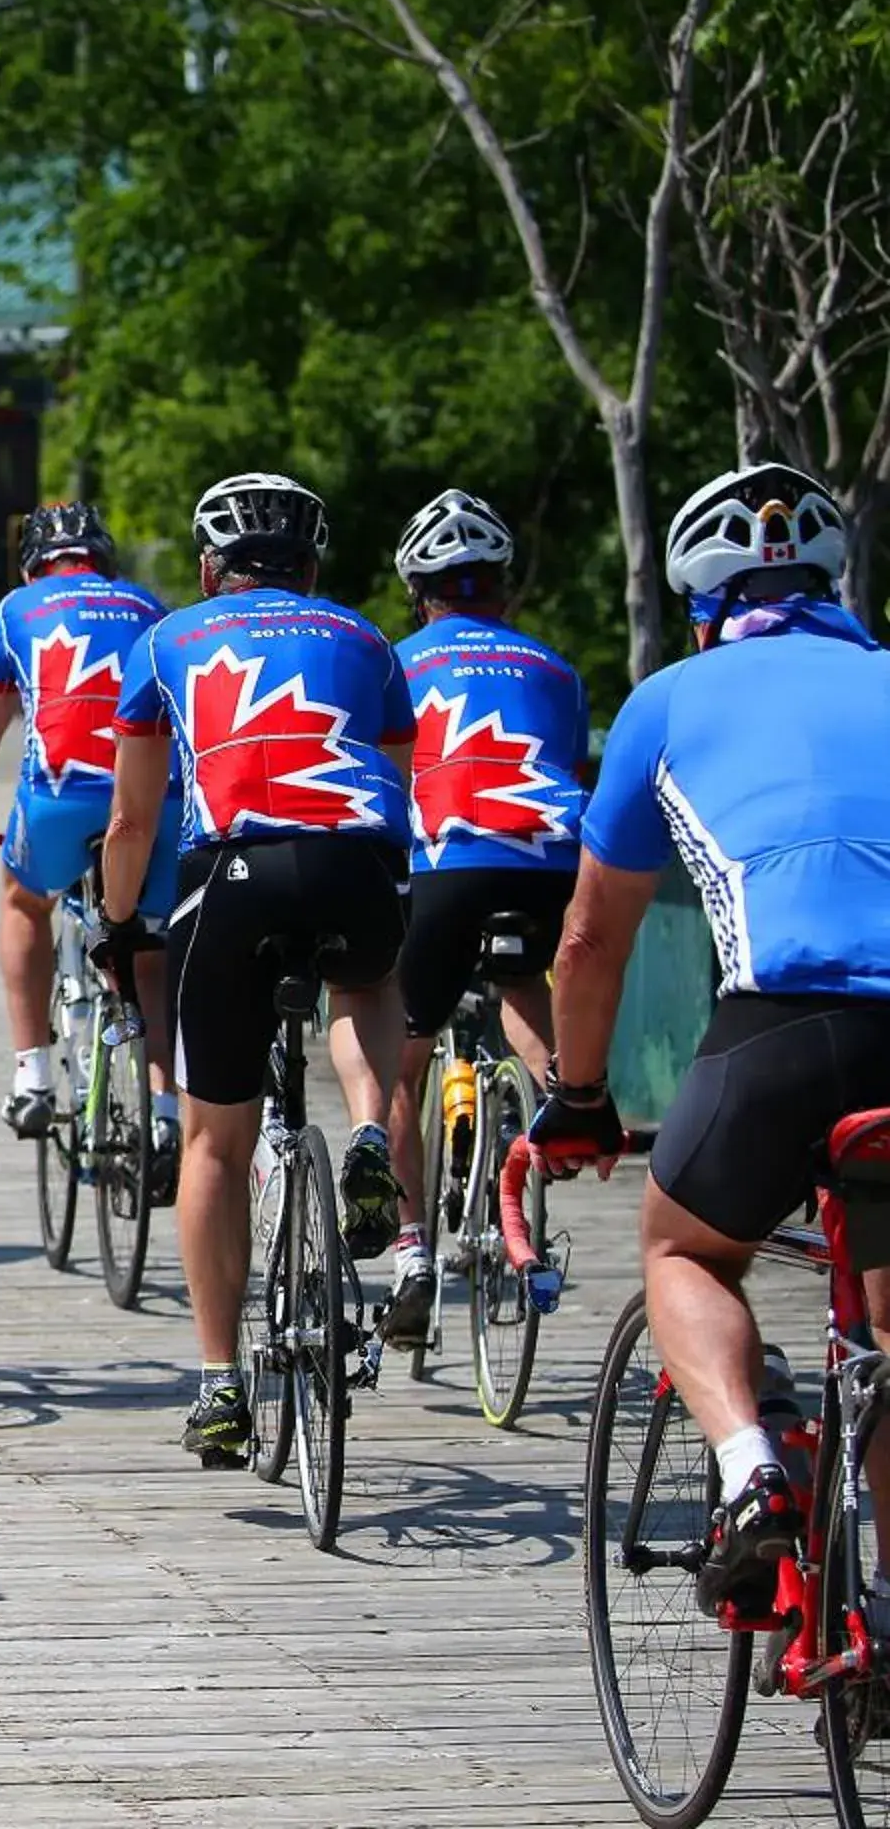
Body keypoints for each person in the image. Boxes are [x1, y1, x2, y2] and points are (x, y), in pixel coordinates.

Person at [532, 463, 890, 1617]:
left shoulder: (672, 700)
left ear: (702, 609)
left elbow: (590, 936)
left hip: (783, 1021)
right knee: (881, 1329)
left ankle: (749, 1473)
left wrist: (581, 1090)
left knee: (683, 1248)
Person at [103, 473, 412, 1463]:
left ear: (207, 569)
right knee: (364, 982)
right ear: (313, 568)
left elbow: (132, 819)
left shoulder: (164, 641)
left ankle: (219, 1381)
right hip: (351, 859)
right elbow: (397, 783)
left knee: (213, 1145)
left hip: (228, 872)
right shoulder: (368, 639)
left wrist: (118, 924)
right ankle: (369, 1132)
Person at [379, 489, 587, 1348]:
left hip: (442, 865)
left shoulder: (393, 662)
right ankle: (561, 1107)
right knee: (519, 983)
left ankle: (410, 1248)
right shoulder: (555, 669)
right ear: (502, 590)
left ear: (418, 594)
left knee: (400, 1057)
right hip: (549, 864)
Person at [0, 501, 183, 1186]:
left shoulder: (15, 610)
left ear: (33, 568)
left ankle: (33, 1074)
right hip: (152, 799)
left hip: (57, 797)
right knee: (146, 948)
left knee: (24, 901)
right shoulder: (148, 605)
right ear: (103, 562)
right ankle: (165, 1110)